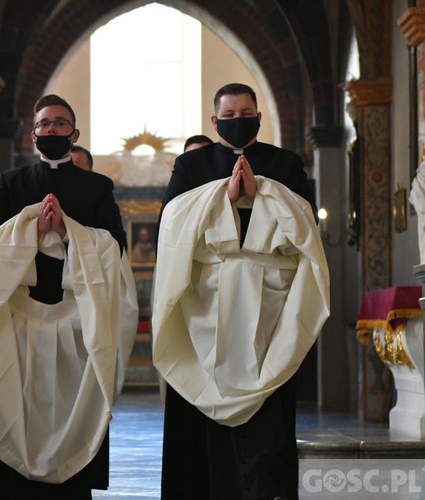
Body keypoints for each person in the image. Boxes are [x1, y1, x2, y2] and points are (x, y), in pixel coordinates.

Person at [0, 94, 137, 500]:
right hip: (20, 318)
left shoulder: (96, 186)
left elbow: (116, 246)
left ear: (75, 133)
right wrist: (28, 230)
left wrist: (71, 234)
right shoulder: (13, 182)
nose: (51, 129)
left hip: (74, 321)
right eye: (44, 124)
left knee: (68, 413)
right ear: (33, 133)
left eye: (60, 123)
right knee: (6, 407)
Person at [153, 83, 329, 500]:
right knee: (202, 414)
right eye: (228, 116)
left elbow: (307, 224)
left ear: (259, 117)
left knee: (267, 417)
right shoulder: (192, 165)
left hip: (268, 304)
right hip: (206, 305)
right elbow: (171, 223)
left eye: (245, 113)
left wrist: (262, 194)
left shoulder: (284, 163)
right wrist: (222, 197)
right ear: (214, 121)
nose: (237, 121)